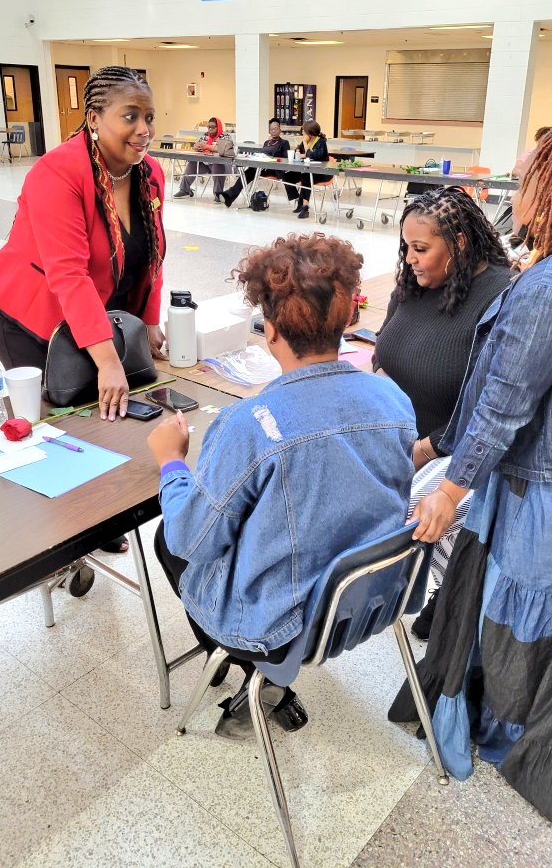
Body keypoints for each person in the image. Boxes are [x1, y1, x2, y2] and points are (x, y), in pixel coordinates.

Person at [391, 126, 552, 848]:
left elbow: (506, 402)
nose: (518, 192)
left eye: (528, 177)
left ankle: (538, 755)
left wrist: (451, 490)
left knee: (538, 630)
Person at [148, 233, 419, 737]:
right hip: (372, 600)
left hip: (282, 625)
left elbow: (192, 538)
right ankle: (260, 677)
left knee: (170, 534)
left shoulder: (250, 424)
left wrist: (171, 463)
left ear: (269, 332)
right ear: (347, 319)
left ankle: (248, 668)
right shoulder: (391, 398)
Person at [0, 65, 167, 553]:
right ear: (93, 118)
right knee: (59, 426)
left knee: (106, 420)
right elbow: (67, 273)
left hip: (93, 314)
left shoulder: (150, 174)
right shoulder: (57, 172)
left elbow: (152, 253)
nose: (144, 129)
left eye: (149, 116)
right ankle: (63, 539)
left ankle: (97, 517)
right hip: (31, 315)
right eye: (130, 116)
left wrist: (147, 324)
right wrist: (108, 360)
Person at [372, 187, 511, 638]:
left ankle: (451, 598)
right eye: (406, 247)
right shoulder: (413, 284)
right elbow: (383, 346)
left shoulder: (502, 298)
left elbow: (489, 405)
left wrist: (422, 450)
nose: (410, 259)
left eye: (421, 249)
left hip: (449, 458)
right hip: (397, 441)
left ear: (461, 244)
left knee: (405, 519)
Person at [222, 117, 290, 207]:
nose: (273, 131)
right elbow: (262, 154)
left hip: (274, 168)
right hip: (261, 167)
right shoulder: (267, 142)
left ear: (280, 130)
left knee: (250, 171)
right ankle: (229, 197)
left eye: (275, 129)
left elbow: (285, 159)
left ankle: (229, 195)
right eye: (271, 129)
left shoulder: (284, 143)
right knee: (248, 172)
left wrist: (271, 159)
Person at [173, 117, 235, 202]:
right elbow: (198, 144)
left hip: (222, 165)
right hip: (207, 164)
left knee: (217, 165)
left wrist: (207, 146)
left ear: (218, 127)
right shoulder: (206, 135)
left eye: (212, 127)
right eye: (208, 127)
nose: (210, 129)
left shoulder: (225, 136)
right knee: (193, 163)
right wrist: (197, 147)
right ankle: (185, 189)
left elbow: (221, 149)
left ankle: (218, 194)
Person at [282, 120, 329, 219]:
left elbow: (312, 155)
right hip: (307, 170)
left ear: (310, 132)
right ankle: (299, 199)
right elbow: (297, 152)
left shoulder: (321, 142)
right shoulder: (306, 140)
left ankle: (304, 207)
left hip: (321, 173)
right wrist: (299, 150)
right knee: (287, 175)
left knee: (306, 176)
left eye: (304, 131)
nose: (302, 133)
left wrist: (304, 143)